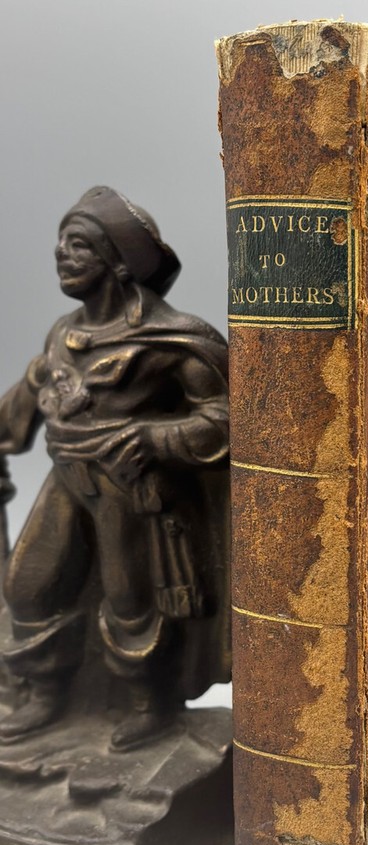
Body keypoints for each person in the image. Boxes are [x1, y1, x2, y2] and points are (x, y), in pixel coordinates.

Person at [0, 187, 230, 750]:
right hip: (66, 476)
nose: (61, 252)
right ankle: (46, 695)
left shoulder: (171, 340)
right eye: (60, 241)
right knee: (29, 586)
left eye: (78, 244)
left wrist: (155, 437)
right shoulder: (62, 333)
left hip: (127, 484)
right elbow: (34, 391)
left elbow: (227, 417)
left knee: (131, 599)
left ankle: (148, 703)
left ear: (119, 263)